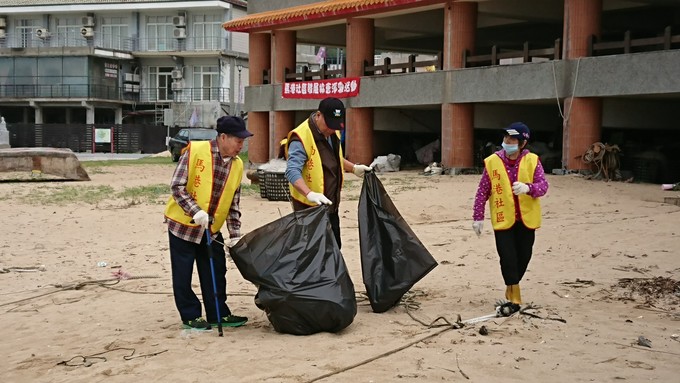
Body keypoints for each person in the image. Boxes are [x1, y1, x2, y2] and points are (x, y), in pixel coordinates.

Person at [164, 115, 253, 330]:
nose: (241, 146)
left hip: (211, 230)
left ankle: (218, 313)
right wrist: (195, 212)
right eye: (238, 141)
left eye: (243, 141)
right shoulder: (195, 151)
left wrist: (235, 235)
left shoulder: (237, 164)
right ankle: (190, 315)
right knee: (183, 274)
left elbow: (233, 202)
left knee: (215, 270)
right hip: (183, 226)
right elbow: (177, 186)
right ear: (223, 137)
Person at [471, 122, 549, 316]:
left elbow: (543, 185)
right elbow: (483, 191)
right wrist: (478, 216)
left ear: (522, 143)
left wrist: (528, 188)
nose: (507, 143)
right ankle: (514, 298)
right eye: (506, 139)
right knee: (507, 258)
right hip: (503, 219)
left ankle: (512, 287)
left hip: (525, 219)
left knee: (524, 257)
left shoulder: (533, 160)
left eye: (513, 140)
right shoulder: (492, 161)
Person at [284, 97, 372, 249]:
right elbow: (292, 171)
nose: (332, 129)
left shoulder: (332, 132)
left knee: (334, 249)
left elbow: (334, 157)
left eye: (335, 125)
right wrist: (309, 193)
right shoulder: (301, 137)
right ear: (318, 115)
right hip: (308, 210)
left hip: (330, 205)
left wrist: (354, 168)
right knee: (312, 253)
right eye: (329, 124)